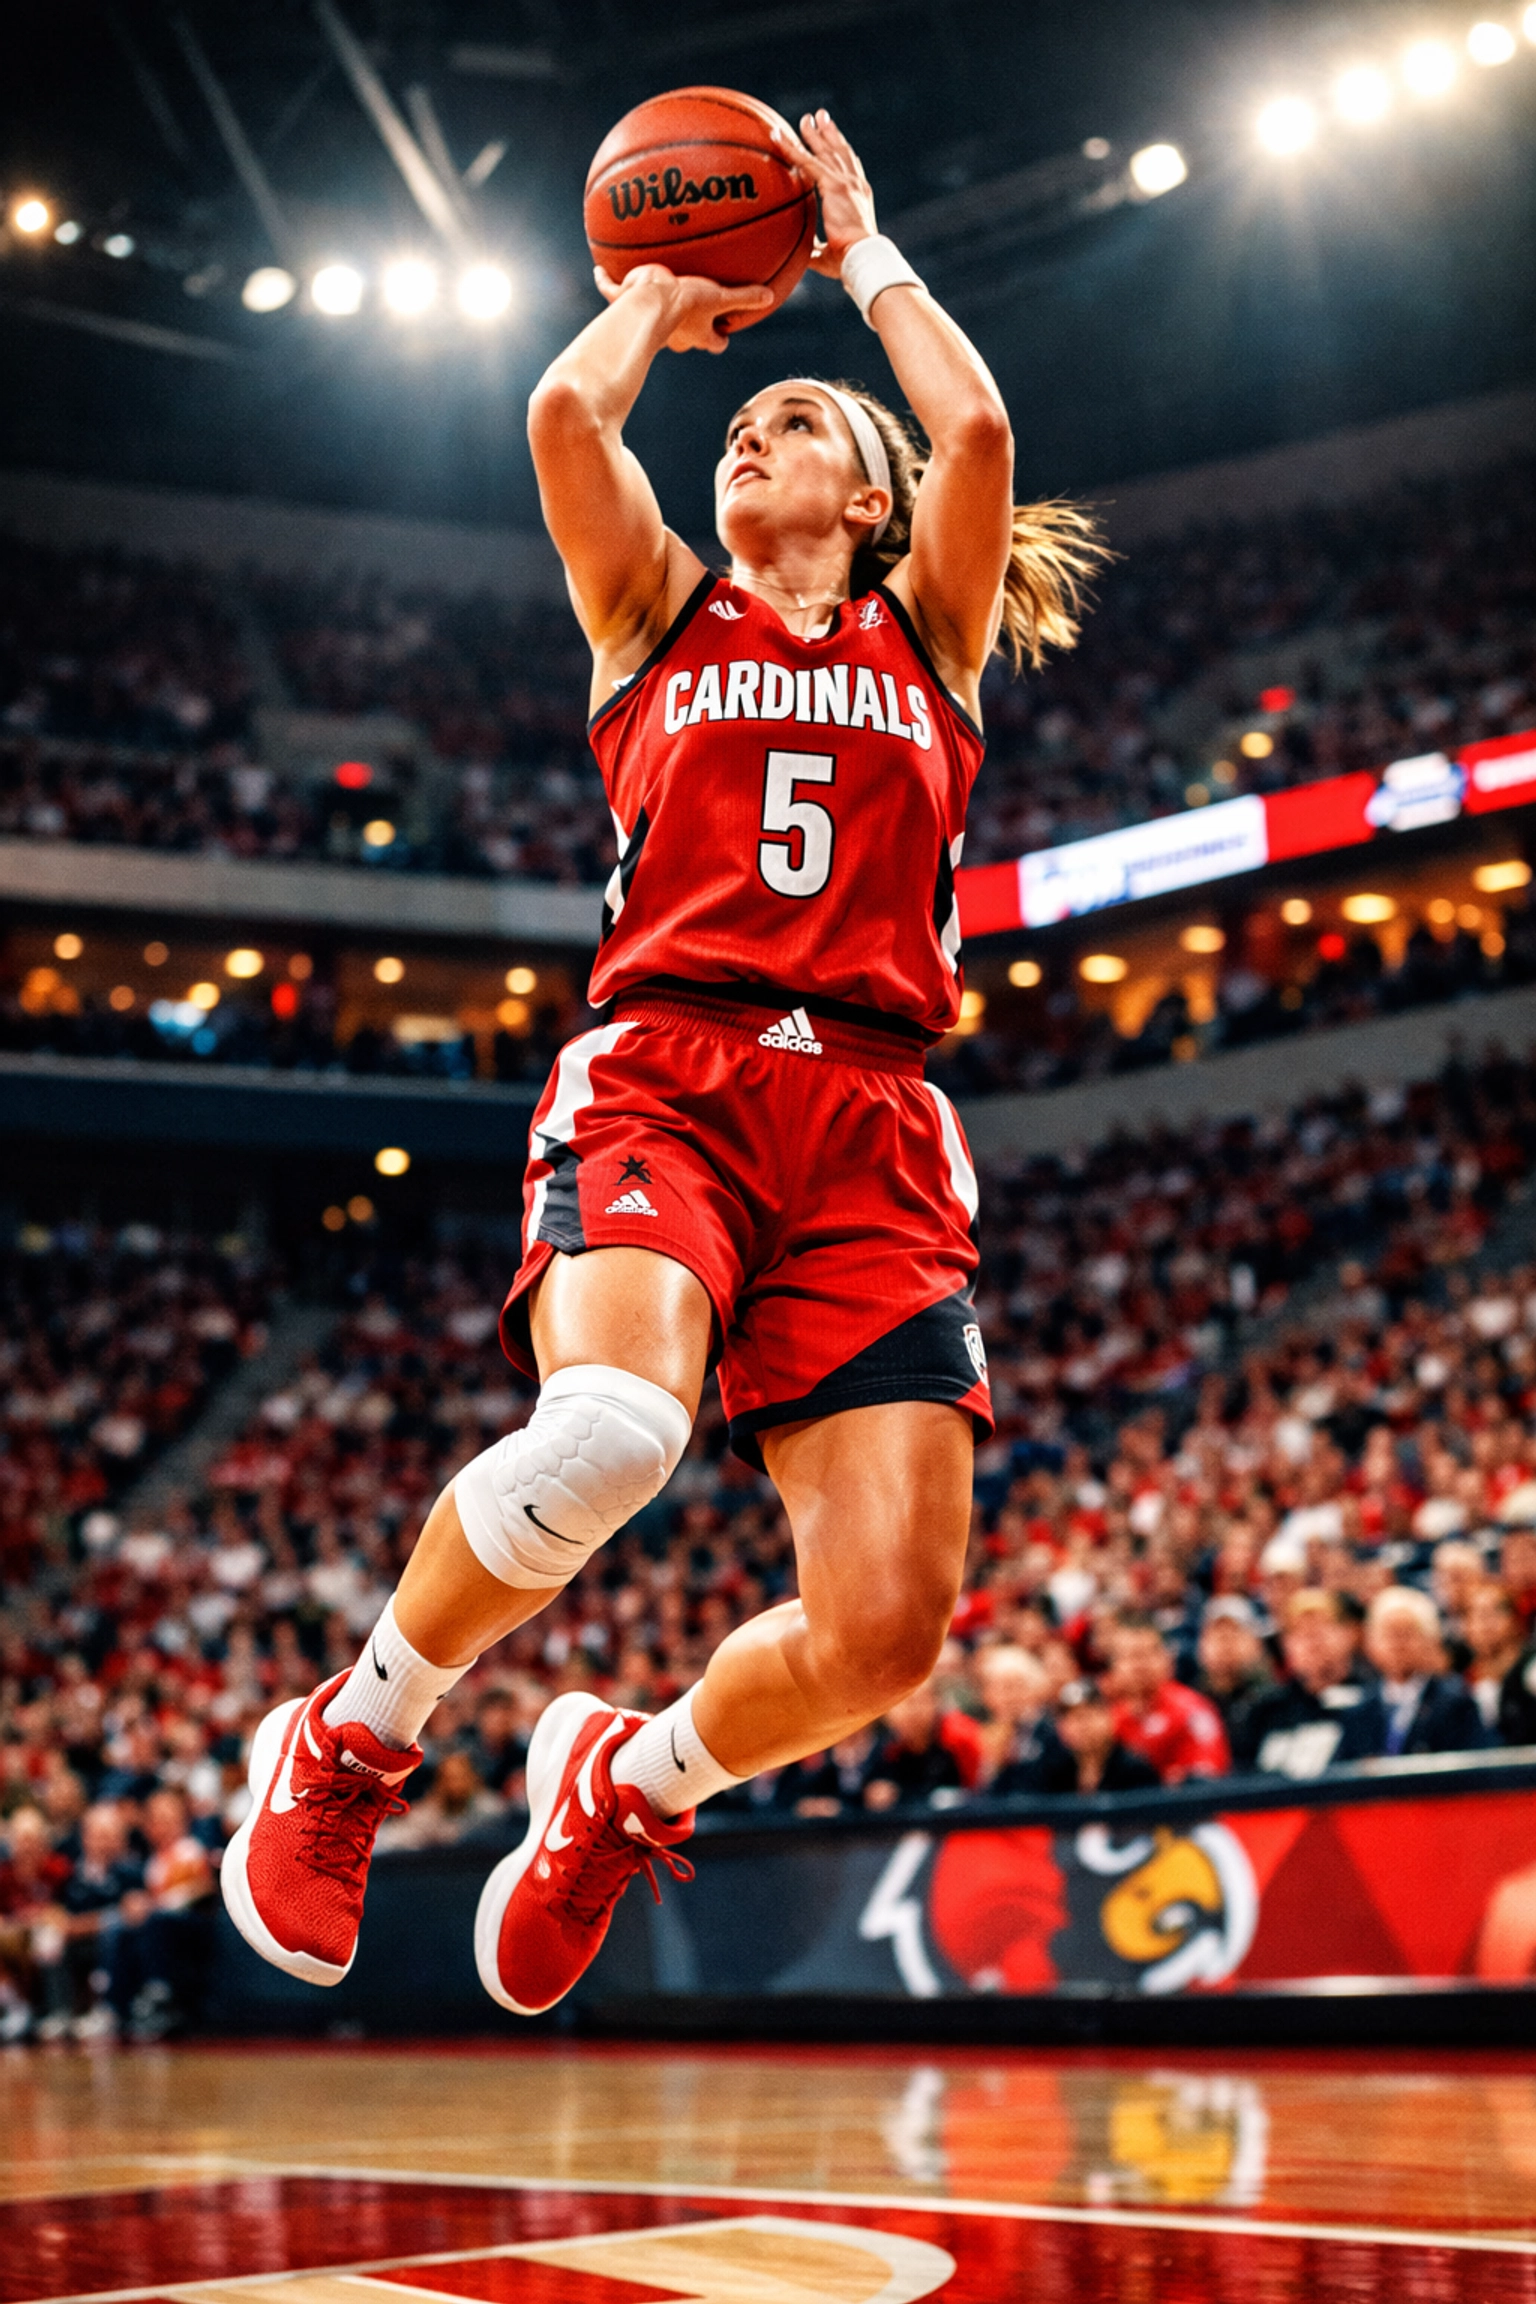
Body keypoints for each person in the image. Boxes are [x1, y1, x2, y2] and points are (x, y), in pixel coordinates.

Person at [221, 108, 1103, 2014]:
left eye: (794, 422)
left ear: (862, 497)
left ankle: (628, 1779)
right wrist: (655, 293)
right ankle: (352, 1739)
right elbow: (562, 421)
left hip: (872, 1120)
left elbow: (978, 438)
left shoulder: (924, 630)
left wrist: (860, 257)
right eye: (739, 423)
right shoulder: (653, 606)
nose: (751, 433)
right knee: (616, 1426)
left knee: (886, 1637)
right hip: (670, 1074)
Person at [1234, 1590, 1372, 1778]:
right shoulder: (1265, 1709)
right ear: (1286, 1645)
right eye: (1300, 1633)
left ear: (1349, 1634)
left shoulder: (1372, 1700)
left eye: (1321, 1629)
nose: (1312, 1641)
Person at [1351, 1586, 1487, 1759]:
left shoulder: (1456, 1702)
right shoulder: (1359, 1710)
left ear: (1430, 1640)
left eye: (1407, 1634)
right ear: (1371, 1643)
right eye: (1388, 1634)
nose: (1397, 1644)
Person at [1102, 1613, 1230, 1784]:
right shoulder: (1107, 1719)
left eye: (1148, 1654)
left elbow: (1209, 1777)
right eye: (1130, 1656)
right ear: (1113, 1666)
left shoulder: (1192, 1710)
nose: (1139, 1665)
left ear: (1167, 1658)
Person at [1011, 1680, 1160, 1797]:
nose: (1081, 1726)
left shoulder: (1134, 1768)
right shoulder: (1054, 1769)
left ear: (1108, 1718)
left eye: (1087, 1716)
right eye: (1071, 1719)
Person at [1463, 1578, 1536, 1744]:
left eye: (1496, 1611)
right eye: (1477, 1613)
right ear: (1467, 1626)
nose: (1486, 1621)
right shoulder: (1463, 1683)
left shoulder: (1532, 1669)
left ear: (1516, 1620)